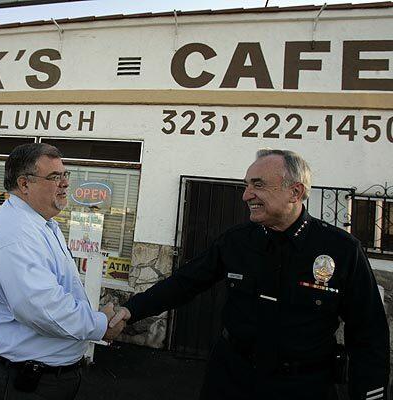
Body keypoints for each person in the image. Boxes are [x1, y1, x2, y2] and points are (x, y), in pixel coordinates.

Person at [110, 149, 390, 400]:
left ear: (295, 192)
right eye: (246, 186)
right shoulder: (236, 241)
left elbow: (369, 334)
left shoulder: (341, 250)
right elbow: (185, 283)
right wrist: (131, 310)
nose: (246, 195)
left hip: (302, 386)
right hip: (232, 380)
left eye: (258, 185)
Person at [0, 143, 124, 400]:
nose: (65, 183)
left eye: (65, 175)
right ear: (25, 184)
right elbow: (41, 307)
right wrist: (100, 324)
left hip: (27, 378)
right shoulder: (14, 234)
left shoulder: (40, 223)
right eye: (55, 177)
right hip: (11, 382)